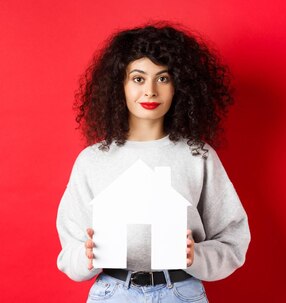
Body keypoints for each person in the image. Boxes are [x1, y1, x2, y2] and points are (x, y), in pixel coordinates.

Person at [56, 21, 251, 302]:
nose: (150, 91)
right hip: (112, 293)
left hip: (181, 291)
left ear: (179, 86)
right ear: (119, 85)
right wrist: (87, 255)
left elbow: (233, 239)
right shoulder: (92, 160)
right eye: (138, 78)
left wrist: (196, 255)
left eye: (163, 78)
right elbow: (69, 252)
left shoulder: (198, 155)